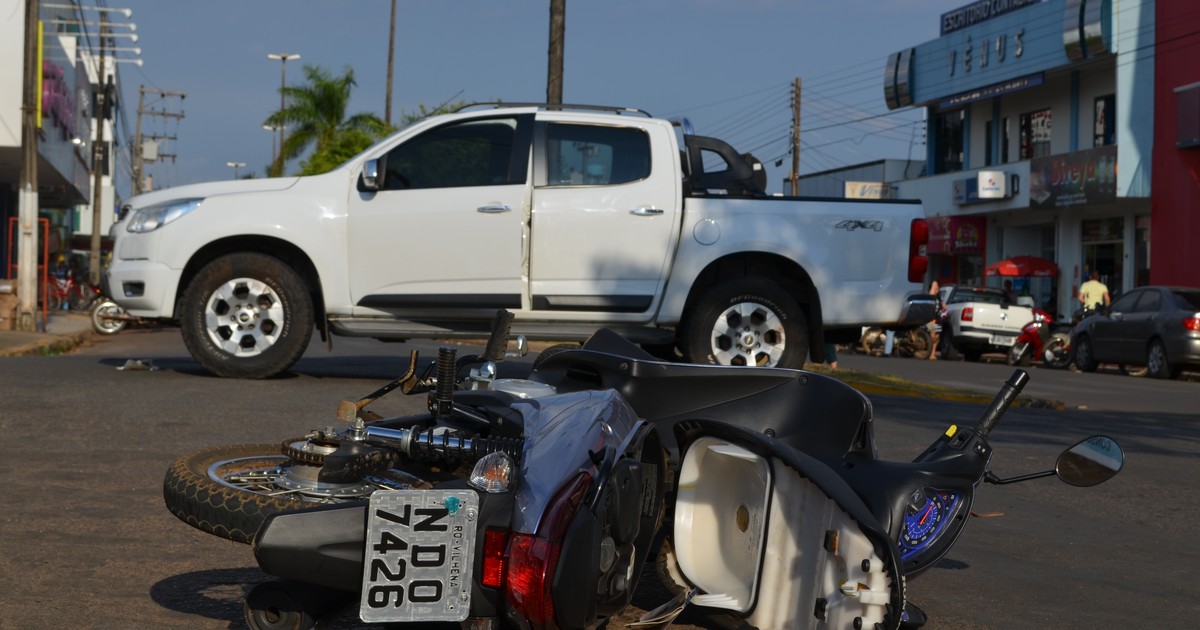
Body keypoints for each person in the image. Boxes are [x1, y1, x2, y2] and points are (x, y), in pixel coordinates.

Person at [927, 280, 942, 361]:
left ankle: (932, 354)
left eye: (937, 287)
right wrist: (934, 285)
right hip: (931, 319)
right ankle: (929, 353)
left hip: (938, 319)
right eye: (935, 287)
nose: (937, 288)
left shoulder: (939, 298)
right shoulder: (931, 297)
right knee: (932, 337)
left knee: (936, 338)